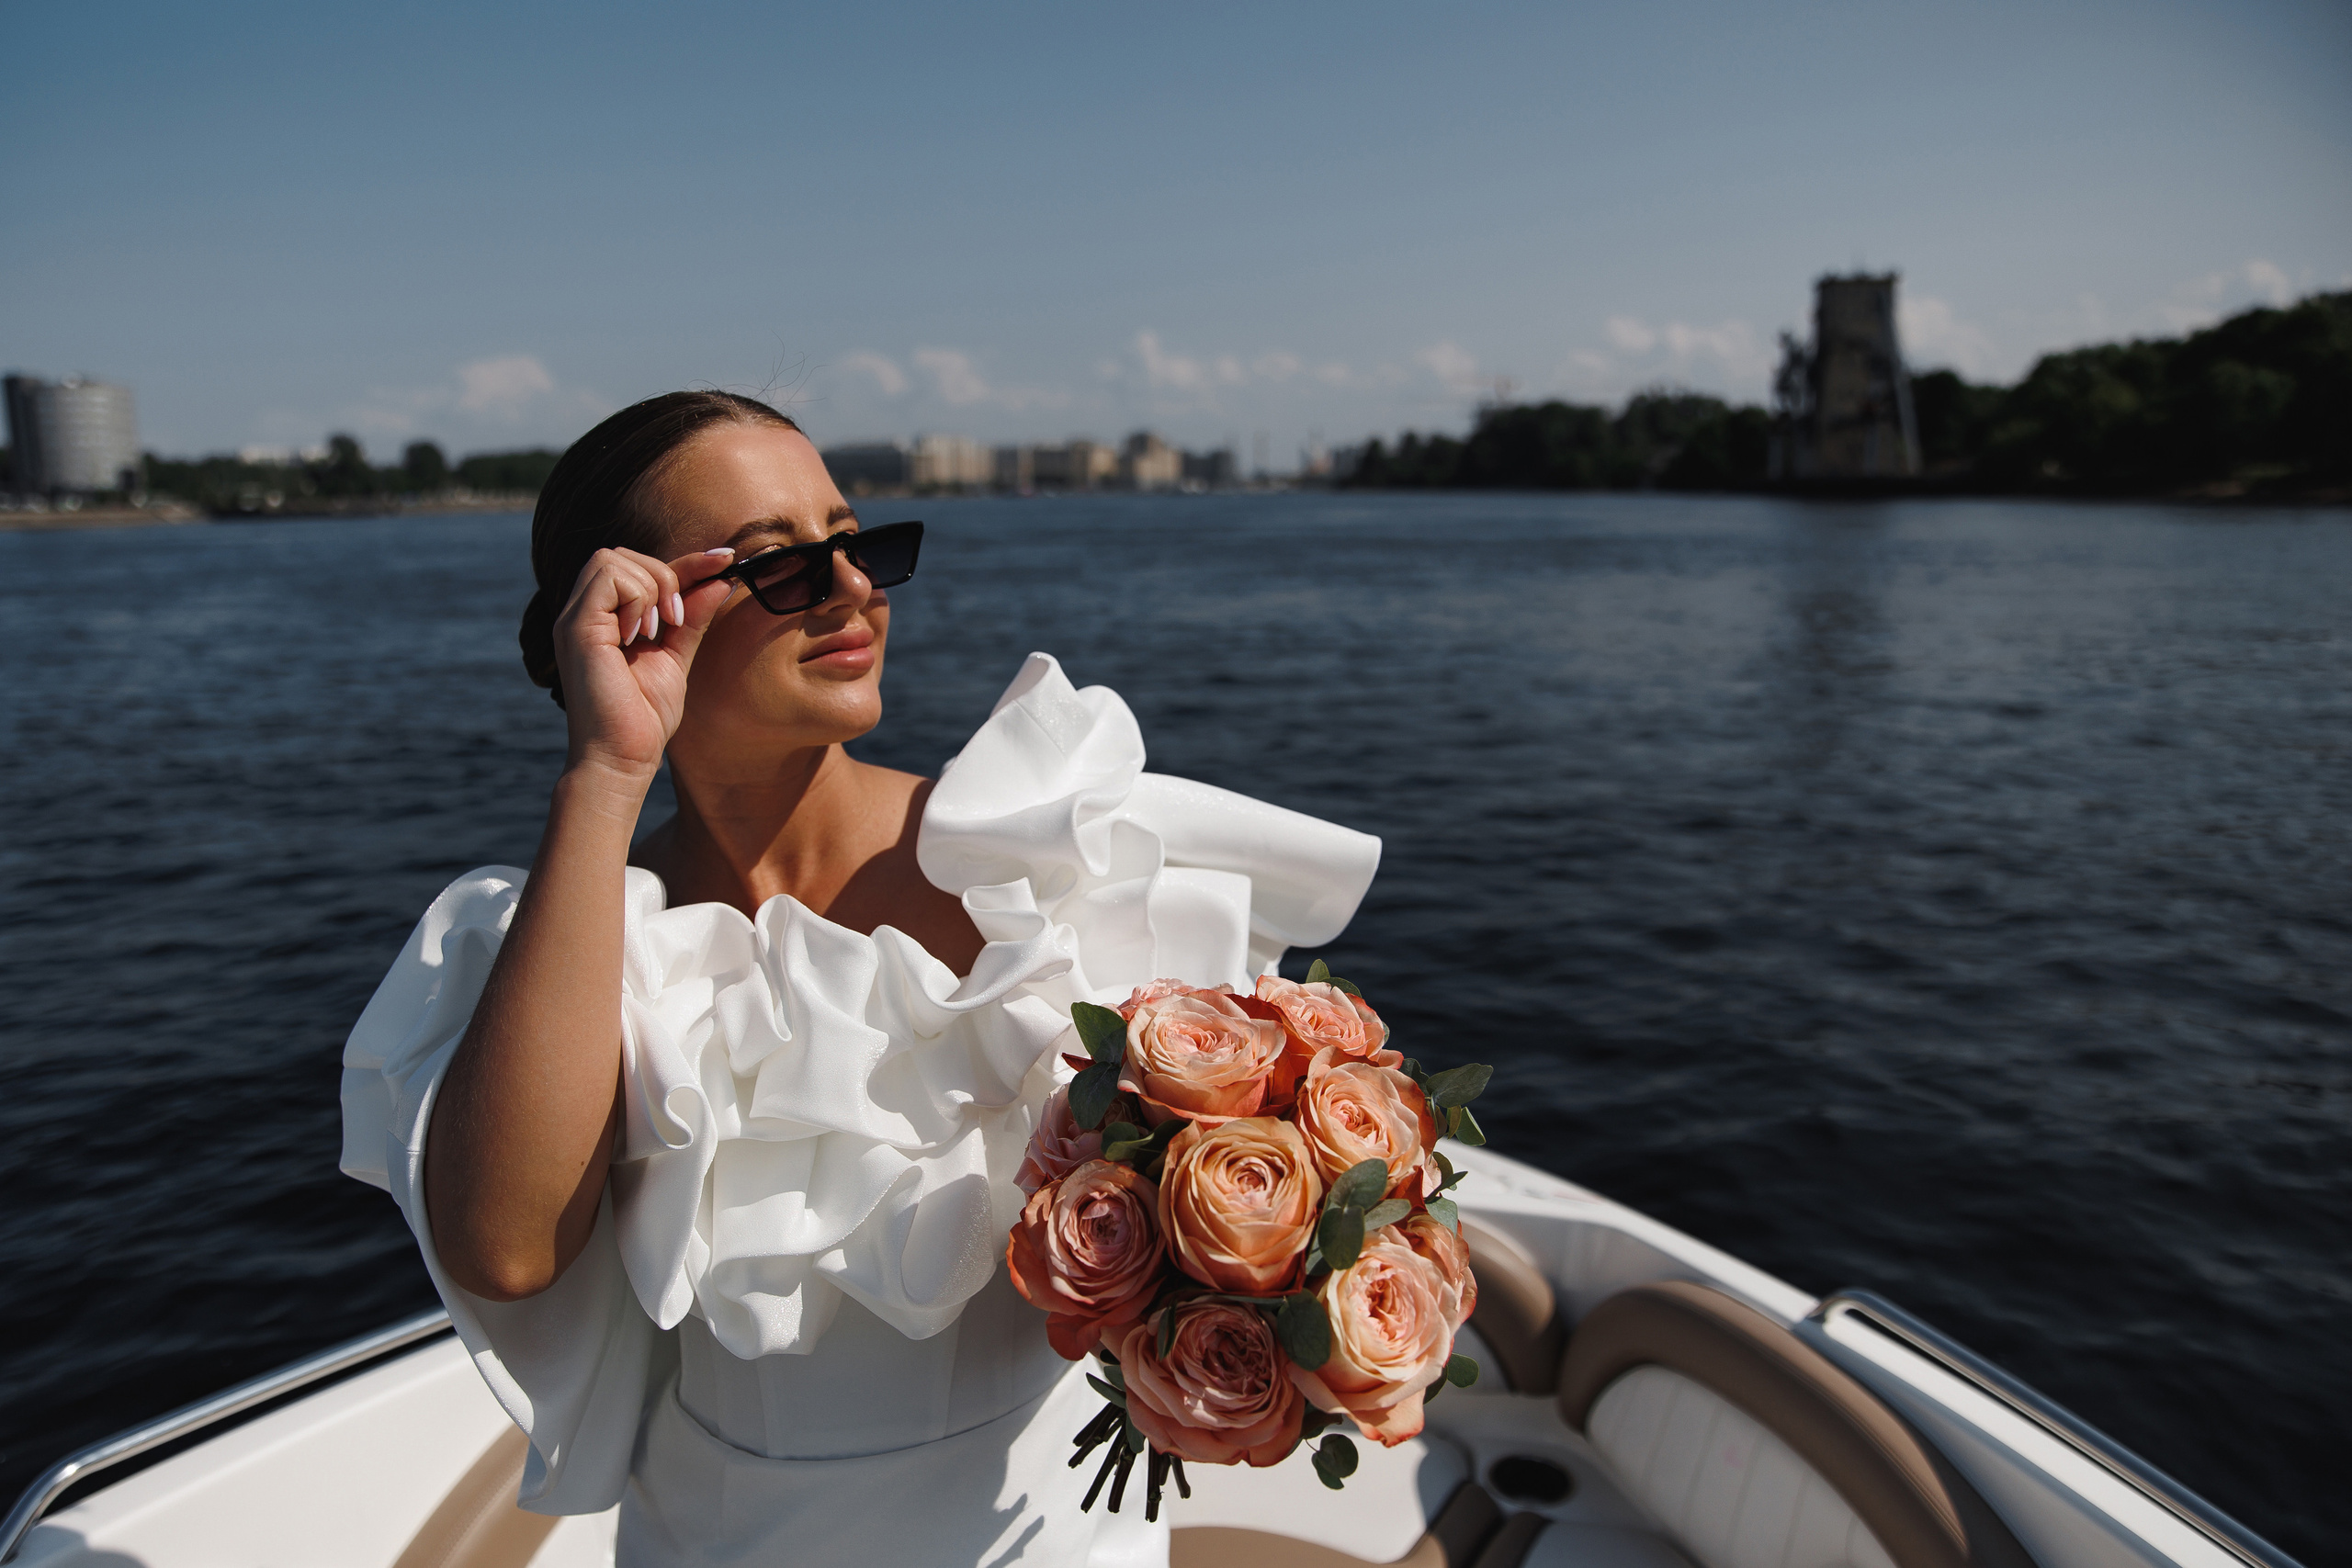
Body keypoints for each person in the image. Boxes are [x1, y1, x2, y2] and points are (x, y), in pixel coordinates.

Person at [338, 390, 1381, 1566]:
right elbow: (509, 1250)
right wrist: (606, 768)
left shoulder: (1061, 864)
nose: (852, 590)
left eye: (853, 541)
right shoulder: (580, 943)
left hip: (1044, 1537)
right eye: (777, 563)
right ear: (633, 613)